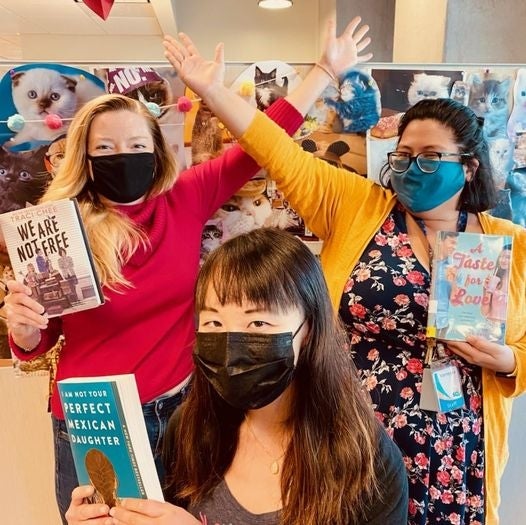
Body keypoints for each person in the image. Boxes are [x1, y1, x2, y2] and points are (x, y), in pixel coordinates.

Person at [3, 17, 373, 524]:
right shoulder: (60, 228)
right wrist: (24, 331)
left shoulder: (184, 198)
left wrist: (324, 71)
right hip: (96, 422)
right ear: (84, 159)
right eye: (105, 148)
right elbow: (38, 343)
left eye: (136, 145)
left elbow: (265, 142)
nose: (122, 156)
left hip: (185, 411)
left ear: (157, 152)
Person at [163, 34, 526, 525]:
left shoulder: (509, 244)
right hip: (346, 433)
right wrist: (214, 91)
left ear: (470, 166)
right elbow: (277, 152)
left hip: (455, 447)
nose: (413, 167)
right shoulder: (358, 206)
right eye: (403, 155)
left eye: (432, 156)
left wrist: (508, 363)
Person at [66, 227, 408, 525]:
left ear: (310, 331)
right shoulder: (189, 429)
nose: (230, 342)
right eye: (213, 323)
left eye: (258, 323)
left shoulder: (368, 462)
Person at [481, 244, 512, 341]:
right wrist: (488, 290)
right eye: (501, 256)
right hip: (489, 326)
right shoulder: (493, 280)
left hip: (509, 331)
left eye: (508, 257)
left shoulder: (518, 284)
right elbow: (484, 312)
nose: (503, 260)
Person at [433, 231, 460, 338]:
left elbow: (455, 299)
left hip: (443, 321)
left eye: (456, 244)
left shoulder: (454, 268)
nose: (454, 247)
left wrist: (452, 282)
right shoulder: (428, 259)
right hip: (421, 316)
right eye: (452, 242)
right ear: (441, 241)